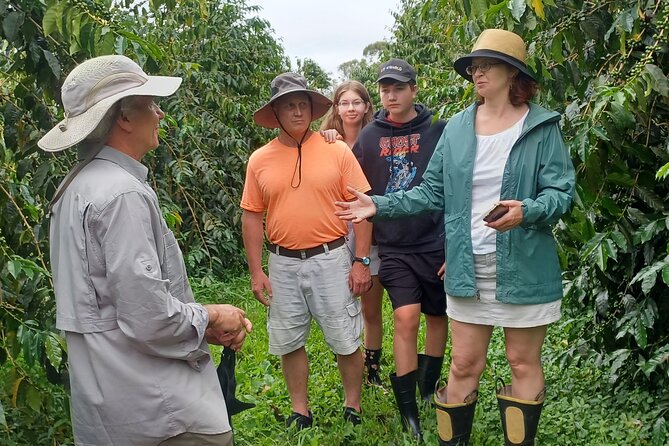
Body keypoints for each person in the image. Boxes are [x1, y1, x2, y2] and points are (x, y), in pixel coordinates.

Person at [335, 30, 576, 446]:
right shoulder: (460, 127)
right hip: (469, 265)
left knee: (521, 361)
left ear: (512, 73)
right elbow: (432, 191)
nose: (477, 74)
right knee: (463, 365)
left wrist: (527, 211)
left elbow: (561, 193)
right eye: (474, 67)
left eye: (487, 66)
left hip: (524, 263)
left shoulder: (542, 126)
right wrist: (379, 205)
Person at [38, 55, 252, 446]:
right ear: (123, 117)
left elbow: (110, 302)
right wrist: (209, 315)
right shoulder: (121, 195)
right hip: (156, 408)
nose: (159, 114)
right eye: (151, 104)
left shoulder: (74, 188)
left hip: (109, 406)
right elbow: (148, 317)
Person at [240, 72, 372, 429]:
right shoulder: (260, 160)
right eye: (289, 106)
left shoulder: (336, 149)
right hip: (282, 263)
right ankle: (300, 409)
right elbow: (252, 216)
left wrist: (361, 261)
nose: (297, 112)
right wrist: (256, 271)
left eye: (303, 105)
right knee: (288, 339)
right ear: (276, 113)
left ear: (312, 111)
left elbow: (361, 208)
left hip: (331, 257)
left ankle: (353, 405)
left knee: (345, 337)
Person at [349, 59, 448, 437]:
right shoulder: (370, 136)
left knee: (437, 318)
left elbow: (454, 186)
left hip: (435, 242)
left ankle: (426, 391)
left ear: (414, 90)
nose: (391, 95)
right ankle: (409, 412)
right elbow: (350, 178)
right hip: (393, 246)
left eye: (399, 88)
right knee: (406, 319)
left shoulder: (439, 131)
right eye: (385, 88)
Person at [319, 81, 385, 386]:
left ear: (367, 106)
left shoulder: (378, 137)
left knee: (371, 305)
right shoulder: (326, 141)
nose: (350, 109)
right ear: (336, 108)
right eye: (344, 103)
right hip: (336, 226)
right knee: (341, 303)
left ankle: (372, 369)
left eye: (356, 102)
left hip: (369, 225)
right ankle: (348, 364)